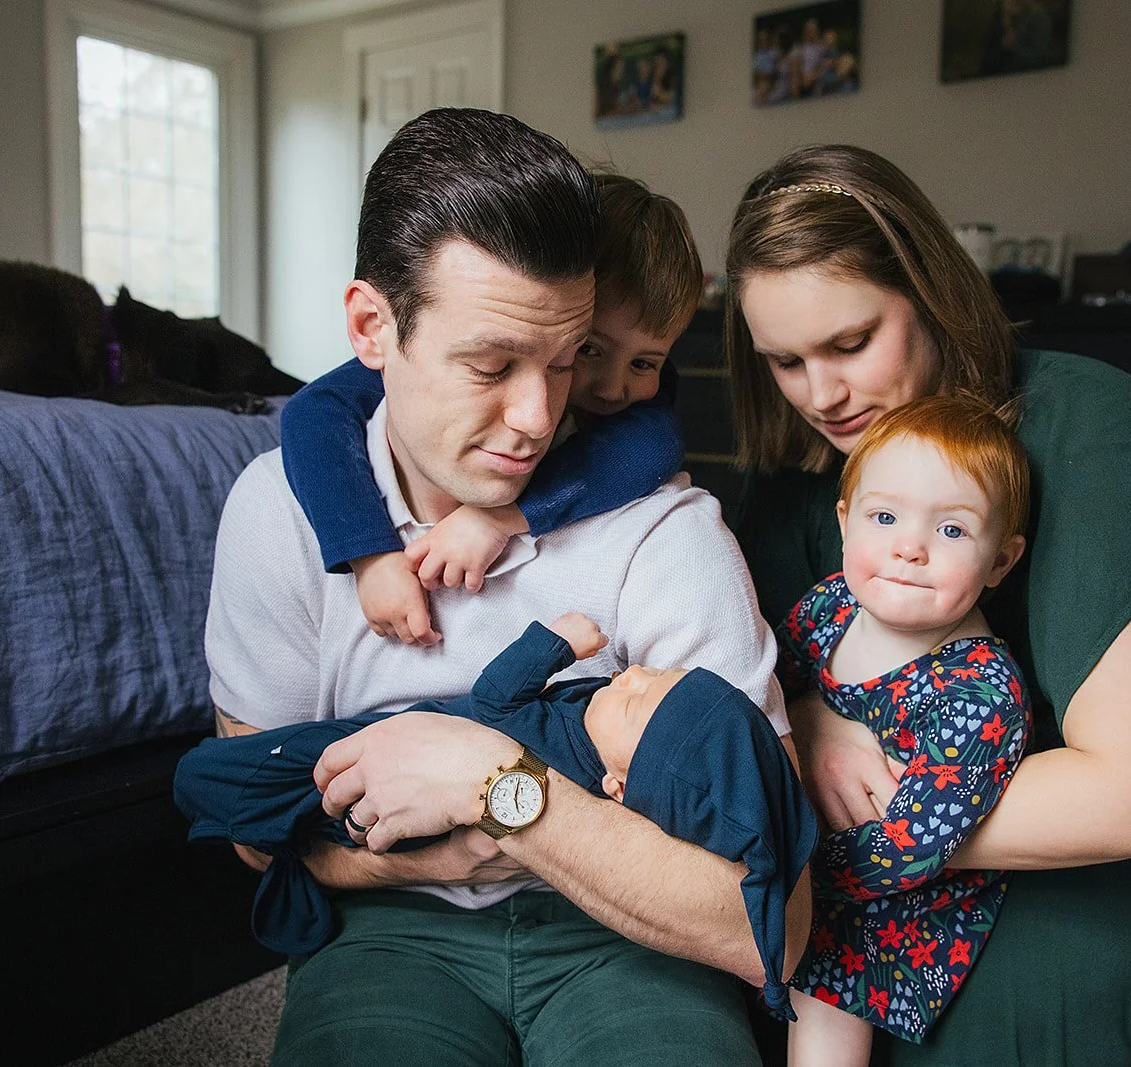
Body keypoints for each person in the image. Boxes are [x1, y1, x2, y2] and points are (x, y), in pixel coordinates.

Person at [205, 107, 807, 1067]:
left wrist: (498, 793)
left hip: (625, 928)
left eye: (568, 360)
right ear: (371, 326)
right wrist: (445, 854)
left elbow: (769, 924)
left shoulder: (666, 525)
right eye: (491, 365)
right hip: (389, 926)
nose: (540, 416)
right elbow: (249, 827)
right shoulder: (280, 508)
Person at [725, 147, 1131, 1065]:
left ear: (929, 290)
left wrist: (825, 847)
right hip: (894, 812)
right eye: (785, 360)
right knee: (727, 1004)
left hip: (1102, 825)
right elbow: (773, 667)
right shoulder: (800, 468)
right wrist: (813, 725)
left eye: (852, 342)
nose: (821, 394)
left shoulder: (1099, 429)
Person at [177, 612, 817, 1019]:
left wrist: (553, 646)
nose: (633, 673)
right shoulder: (608, 771)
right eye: (658, 674)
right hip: (390, 865)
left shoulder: (563, 744)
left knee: (222, 777)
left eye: (637, 700)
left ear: (622, 788)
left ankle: (215, 794)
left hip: (371, 776)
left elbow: (494, 694)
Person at [278, 173, 700, 646]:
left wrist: (498, 518)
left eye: (644, 363)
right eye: (588, 351)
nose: (612, 389)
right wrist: (371, 558)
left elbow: (653, 445)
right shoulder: (419, 357)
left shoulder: (651, 442)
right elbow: (314, 410)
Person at [776, 395, 1032, 1063]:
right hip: (789, 842)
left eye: (951, 530)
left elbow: (909, 849)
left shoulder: (978, 692)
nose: (909, 547)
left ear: (1000, 561)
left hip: (886, 907)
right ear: (845, 521)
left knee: (825, 1004)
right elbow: (766, 682)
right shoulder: (831, 604)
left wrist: (782, 862)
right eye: (884, 516)